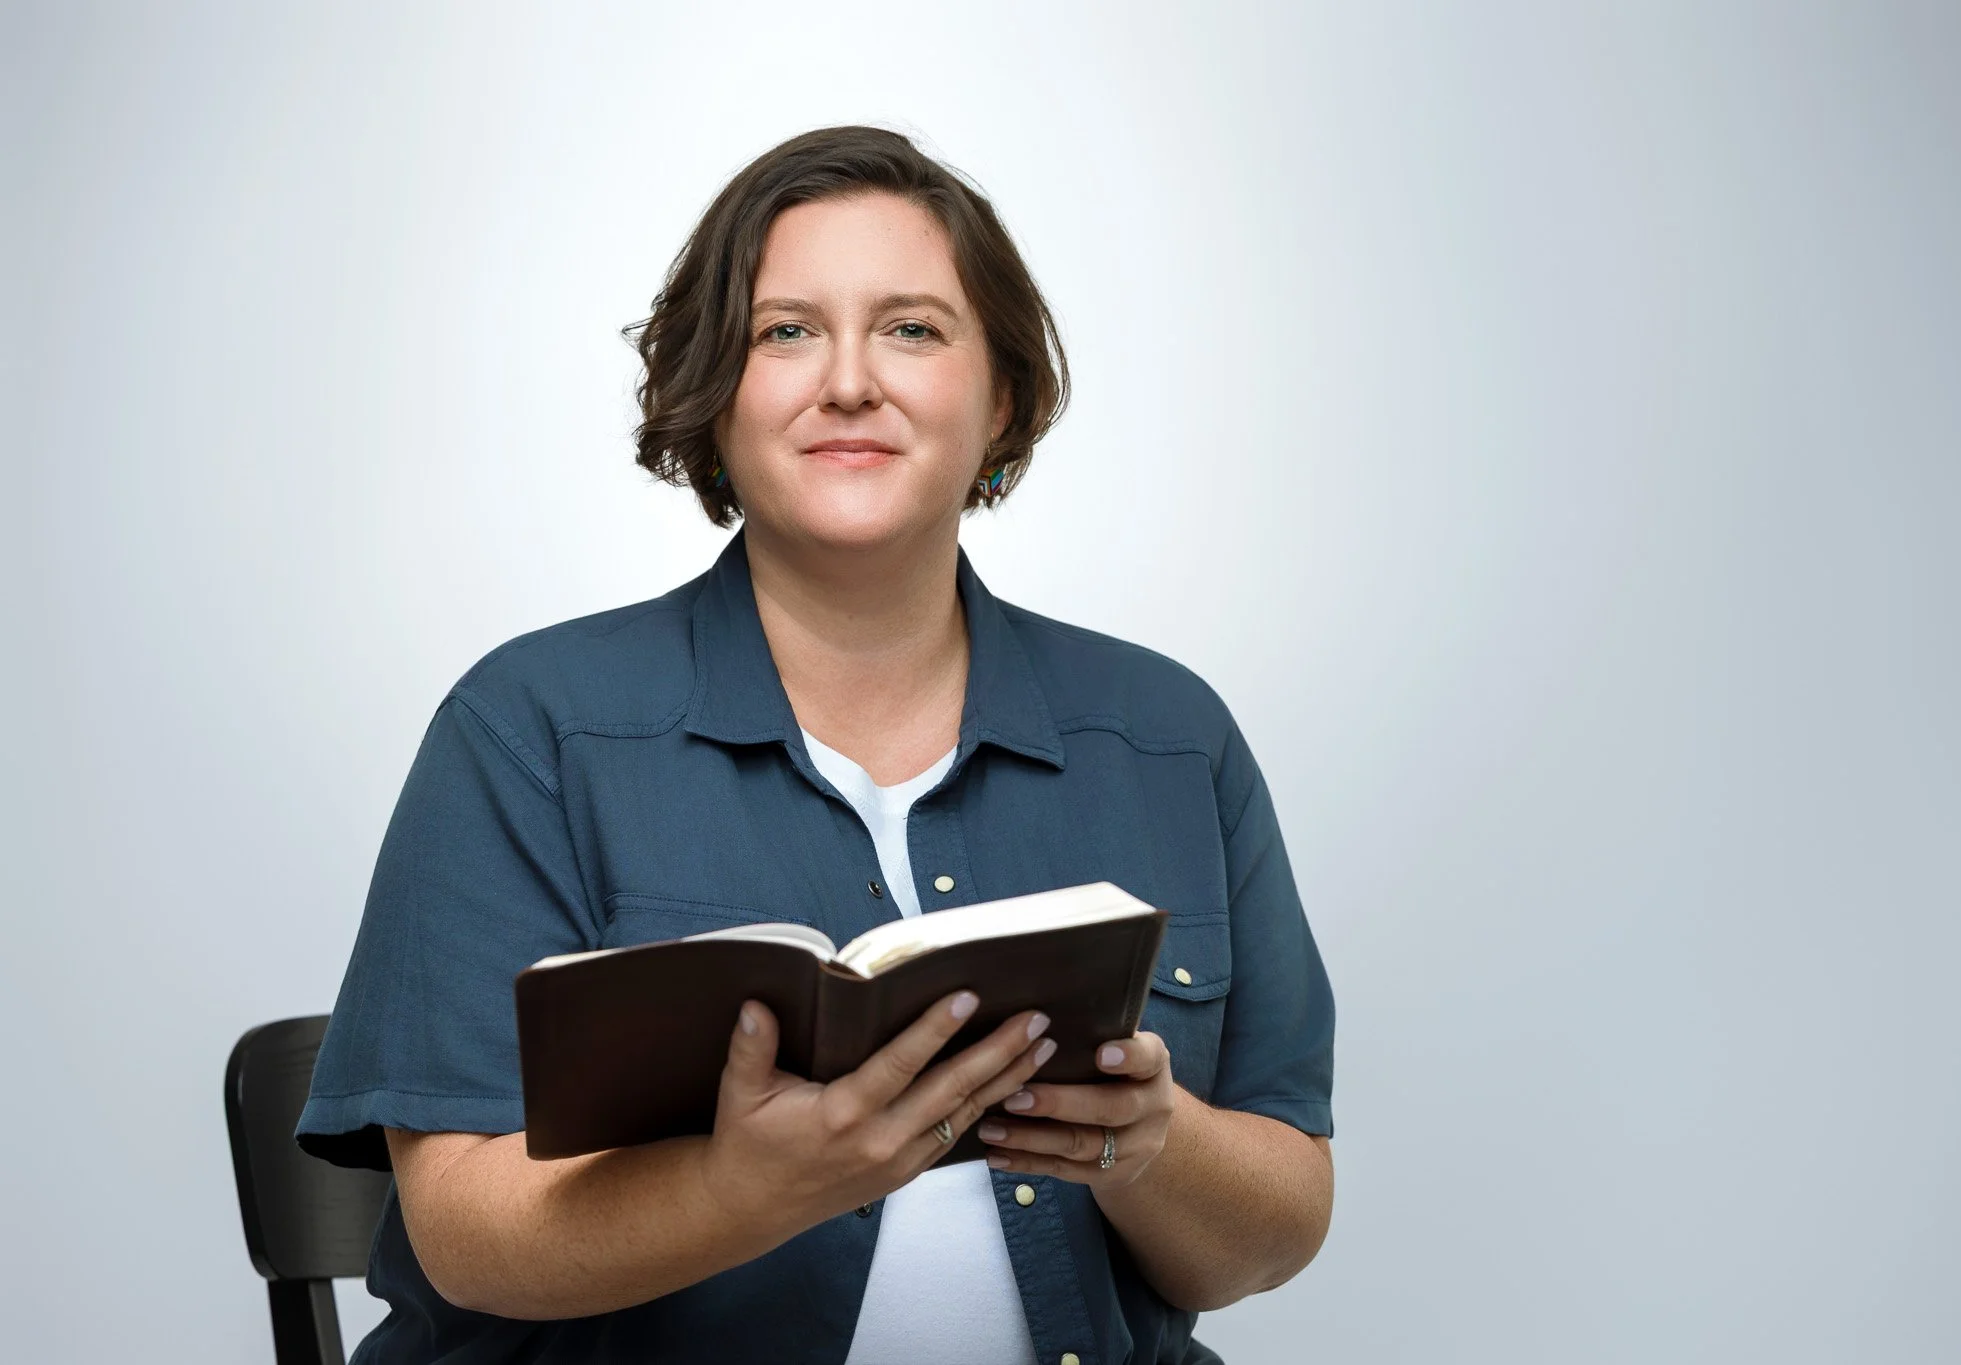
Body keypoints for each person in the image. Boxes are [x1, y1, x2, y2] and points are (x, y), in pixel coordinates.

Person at [298, 125, 1335, 1365]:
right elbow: (467, 1235)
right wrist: (754, 1187)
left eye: (912, 328)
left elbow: (1271, 1233)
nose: (849, 380)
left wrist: (1154, 1142)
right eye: (785, 331)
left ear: (999, 397)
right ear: (712, 394)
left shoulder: (1170, 738)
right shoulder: (528, 728)